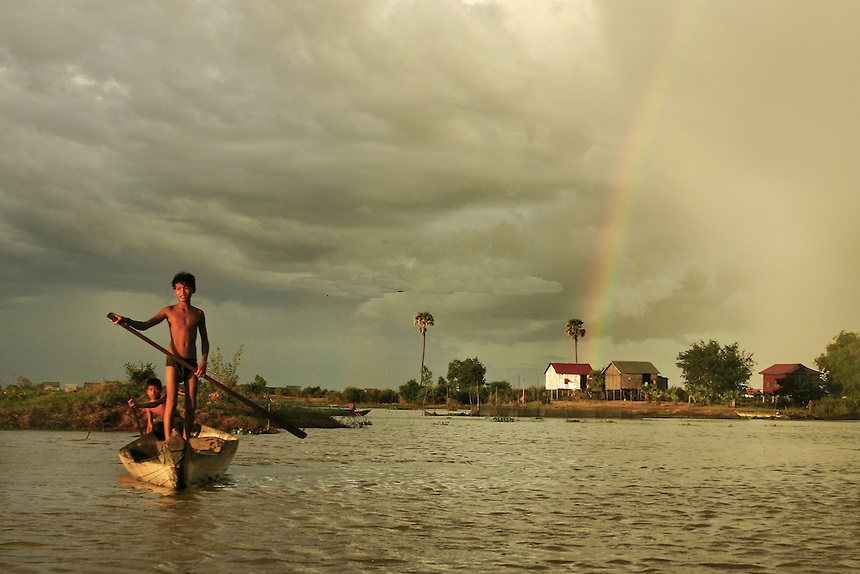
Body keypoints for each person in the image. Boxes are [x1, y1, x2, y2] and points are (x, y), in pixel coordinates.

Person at [111, 271, 209, 441]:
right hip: (173, 360)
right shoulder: (169, 311)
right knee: (171, 400)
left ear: (193, 289)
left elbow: (205, 341)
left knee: (191, 403)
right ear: (174, 292)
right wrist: (125, 320)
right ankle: (168, 440)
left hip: (191, 364)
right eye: (178, 288)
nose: (182, 292)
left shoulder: (198, 314)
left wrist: (203, 363)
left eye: (186, 288)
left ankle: (185, 440)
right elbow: (144, 325)